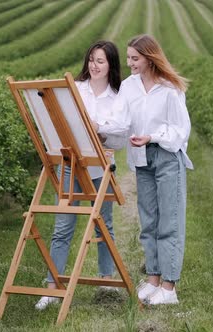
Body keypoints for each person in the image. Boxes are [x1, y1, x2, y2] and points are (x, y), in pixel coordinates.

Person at [97, 34, 193, 305]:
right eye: (128, 58)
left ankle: (169, 287)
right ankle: (152, 279)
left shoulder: (170, 88)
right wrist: (97, 127)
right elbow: (119, 121)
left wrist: (152, 137)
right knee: (148, 221)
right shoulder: (129, 87)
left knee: (169, 222)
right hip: (142, 159)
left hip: (166, 156)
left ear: (150, 59)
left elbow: (180, 130)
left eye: (134, 58)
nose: (129, 63)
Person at [35, 40, 126, 310]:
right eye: (91, 60)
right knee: (63, 224)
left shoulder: (118, 97)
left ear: (111, 65)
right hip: (71, 164)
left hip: (101, 166)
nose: (94, 65)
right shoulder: (75, 90)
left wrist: (102, 131)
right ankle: (52, 287)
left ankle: (106, 281)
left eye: (101, 61)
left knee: (103, 224)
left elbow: (120, 141)